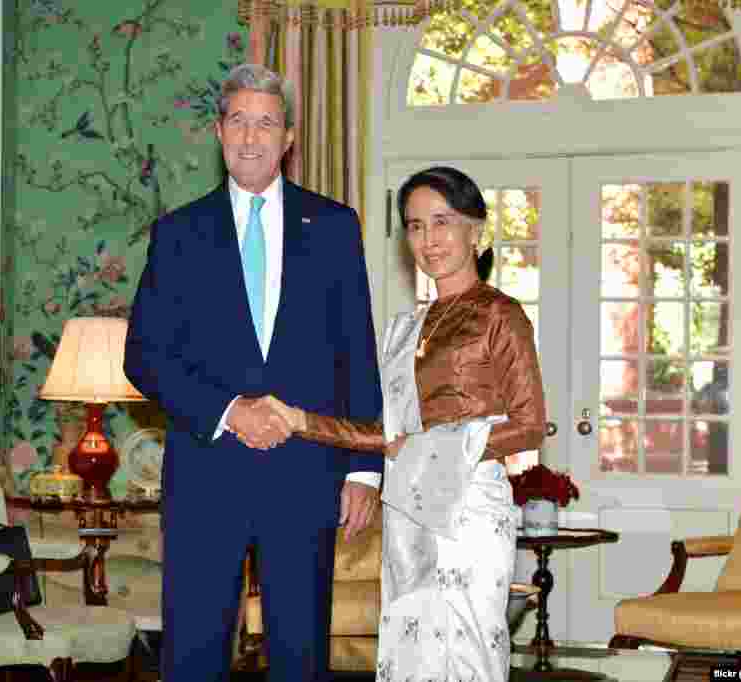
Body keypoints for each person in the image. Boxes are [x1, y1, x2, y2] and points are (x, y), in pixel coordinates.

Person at [123, 63, 384, 681]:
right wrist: (231, 410)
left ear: (288, 137)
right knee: (193, 653)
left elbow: (357, 353)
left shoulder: (336, 227)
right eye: (237, 119)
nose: (250, 134)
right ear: (219, 132)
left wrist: (366, 468)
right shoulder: (178, 233)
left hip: (306, 472)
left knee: (300, 655)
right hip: (207, 471)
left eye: (265, 121)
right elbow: (144, 355)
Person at [264, 166, 547, 681]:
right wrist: (300, 419)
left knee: (468, 654)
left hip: (469, 511)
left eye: (442, 222)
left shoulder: (500, 316)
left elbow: (529, 425)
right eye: (415, 226)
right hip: (406, 512)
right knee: (409, 654)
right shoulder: (403, 328)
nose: (428, 240)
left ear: (475, 229)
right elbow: (384, 437)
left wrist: (436, 447)